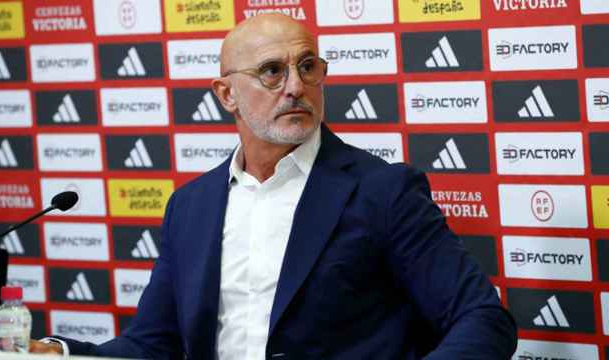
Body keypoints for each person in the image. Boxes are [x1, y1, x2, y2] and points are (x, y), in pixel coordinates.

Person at [31, 13, 517, 359]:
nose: (295, 87)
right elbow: (152, 343)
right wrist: (57, 352)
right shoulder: (192, 206)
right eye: (271, 71)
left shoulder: (382, 191)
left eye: (308, 67)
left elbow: (482, 320)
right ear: (226, 95)